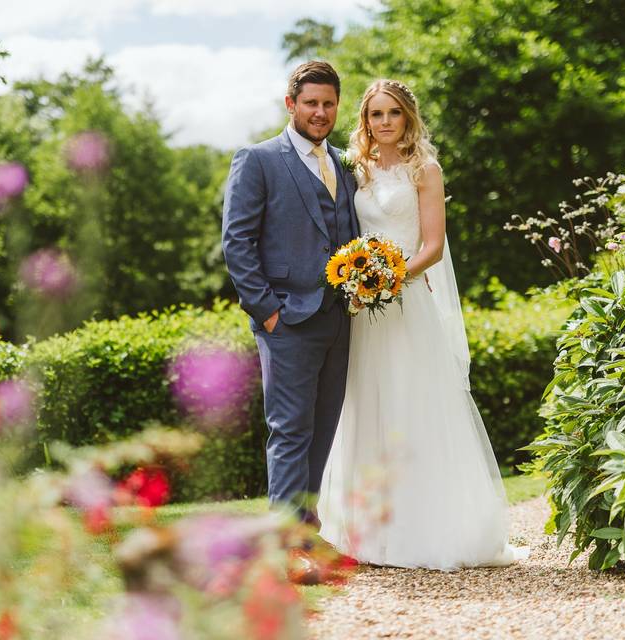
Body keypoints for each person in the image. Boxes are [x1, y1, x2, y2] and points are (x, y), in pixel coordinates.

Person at [317, 79, 527, 570]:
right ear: (365, 121)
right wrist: (360, 283)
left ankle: (427, 530)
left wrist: (387, 280)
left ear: (408, 117)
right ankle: (371, 534)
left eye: (392, 113)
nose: (384, 122)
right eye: (375, 115)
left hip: (407, 302)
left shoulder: (424, 169)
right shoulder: (357, 169)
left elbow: (432, 246)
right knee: (368, 407)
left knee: (413, 406)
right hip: (364, 314)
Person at [221, 61, 360, 581]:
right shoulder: (257, 159)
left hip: (338, 318)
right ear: (291, 105)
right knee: (290, 430)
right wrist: (268, 312)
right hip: (287, 321)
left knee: (322, 430)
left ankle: (306, 532)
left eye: (328, 104)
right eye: (311, 103)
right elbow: (238, 242)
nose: (320, 112)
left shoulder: (344, 163)